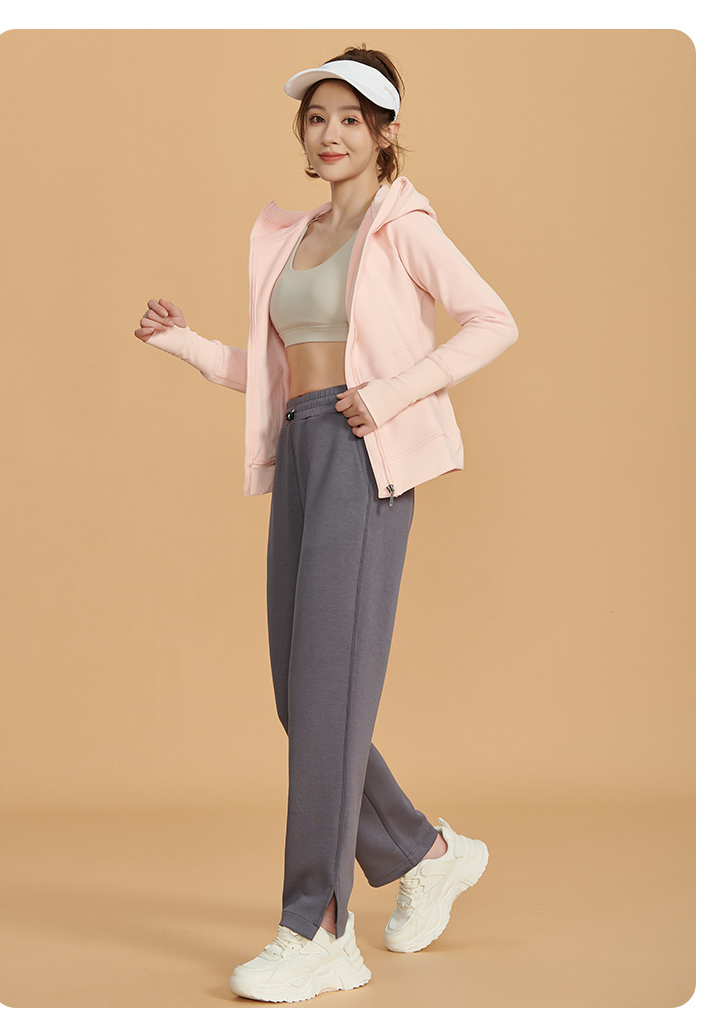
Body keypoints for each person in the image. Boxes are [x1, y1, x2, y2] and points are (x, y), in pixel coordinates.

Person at [134, 45, 519, 1004]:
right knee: (301, 696)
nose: (331, 132)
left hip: (364, 453)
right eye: (317, 118)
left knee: (325, 694)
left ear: (386, 134)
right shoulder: (292, 237)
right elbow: (271, 372)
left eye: (352, 117)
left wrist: (390, 394)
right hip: (304, 448)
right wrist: (183, 344)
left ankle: (320, 928)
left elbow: (492, 321)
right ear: (302, 136)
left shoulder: (404, 225)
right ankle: (425, 853)